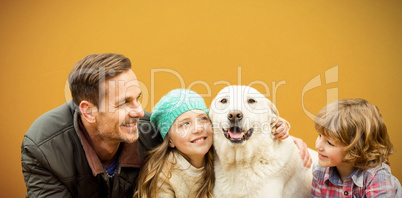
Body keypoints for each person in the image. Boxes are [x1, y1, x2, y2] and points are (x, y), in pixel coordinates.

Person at [21, 53, 300, 198]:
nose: (138, 111)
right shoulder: (43, 149)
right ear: (88, 111)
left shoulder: (151, 131)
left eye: (138, 98)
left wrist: (282, 137)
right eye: (123, 103)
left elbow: (219, 134)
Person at [311, 98, 402, 197]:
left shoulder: (377, 177)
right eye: (320, 135)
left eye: (329, 143)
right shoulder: (319, 171)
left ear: (355, 149)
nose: (318, 146)